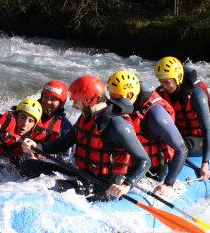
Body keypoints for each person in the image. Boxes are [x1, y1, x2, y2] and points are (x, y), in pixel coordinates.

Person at [20, 75, 150, 200]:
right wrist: (37, 146)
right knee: (29, 166)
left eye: (76, 101)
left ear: (88, 100)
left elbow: (144, 160)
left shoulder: (116, 124)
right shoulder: (86, 117)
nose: (74, 105)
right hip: (83, 175)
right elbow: (64, 143)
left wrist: (126, 185)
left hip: (105, 186)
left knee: (51, 186)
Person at [106, 70, 188, 198]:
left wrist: (168, 184)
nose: (112, 101)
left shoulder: (156, 116)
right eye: (111, 96)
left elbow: (182, 149)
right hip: (130, 166)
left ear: (129, 95)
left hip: (152, 172)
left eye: (115, 98)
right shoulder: (126, 104)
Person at [154, 56, 210, 179]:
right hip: (179, 136)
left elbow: (207, 129)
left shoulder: (197, 94)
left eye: (166, 81)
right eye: (161, 81)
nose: (164, 86)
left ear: (178, 77)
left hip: (200, 140)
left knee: (180, 145)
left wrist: (205, 163)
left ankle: (167, 179)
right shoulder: (161, 92)